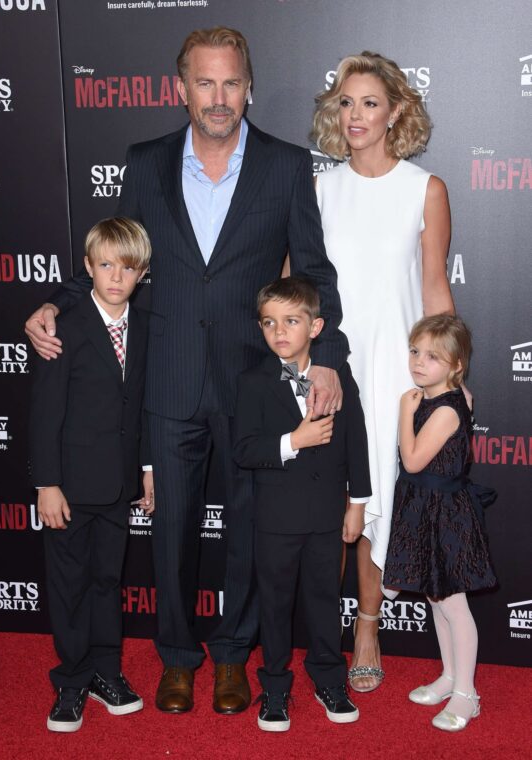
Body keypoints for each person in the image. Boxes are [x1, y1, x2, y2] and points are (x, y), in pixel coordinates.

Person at [25, 27, 348, 715]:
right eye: (205, 82)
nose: (219, 97)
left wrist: (329, 357)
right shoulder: (143, 163)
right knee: (169, 534)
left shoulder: (286, 165)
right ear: (181, 89)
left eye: (231, 82)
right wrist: (54, 304)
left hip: (253, 386)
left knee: (248, 533)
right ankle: (178, 657)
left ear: (248, 87)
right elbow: (112, 255)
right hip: (165, 384)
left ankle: (233, 655)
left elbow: (316, 276)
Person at [311, 51, 455, 692]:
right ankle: (315, 634)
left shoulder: (424, 189)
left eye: (370, 102)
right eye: (346, 102)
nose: (356, 115)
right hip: (330, 367)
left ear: (396, 110)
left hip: (395, 366)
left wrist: (448, 374)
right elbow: (300, 290)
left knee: (378, 502)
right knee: (323, 501)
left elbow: (433, 291)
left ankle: (367, 625)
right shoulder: (319, 186)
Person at [29, 218, 154, 732]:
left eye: (127, 268)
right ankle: (71, 682)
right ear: (88, 268)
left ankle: (106, 672)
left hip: (119, 483)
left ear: (141, 274)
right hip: (71, 487)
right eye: (105, 265)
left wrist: (147, 470)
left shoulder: (144, 327)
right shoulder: (67, 326)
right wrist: (47, 483)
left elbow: (140, 406)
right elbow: (44, 411)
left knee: (107, 581)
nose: (116, 276)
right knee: (69, 586)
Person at [233, 277, 371, 731]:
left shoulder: (337, 378)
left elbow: (356, 441)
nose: (279, 331)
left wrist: (357, 503)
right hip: (274, 520)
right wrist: (295, 440)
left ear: (315, 327)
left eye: (291, 321)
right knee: (274, 605)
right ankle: (274, 685)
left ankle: (329, 677)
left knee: (324, 599)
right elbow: (244, 450)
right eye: (269, 322)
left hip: (326, 516)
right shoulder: (252, 381)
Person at [383, 315, 496, 731]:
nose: (418, 362)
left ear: (455, 365)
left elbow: (412, 460)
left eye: (432, 357)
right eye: (415, 351)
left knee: (454, 604)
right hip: (426, 509)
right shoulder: (444, 396)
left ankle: (467, 693)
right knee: (435, 599)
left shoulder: (445, 409)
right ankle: (449, 676)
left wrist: (402, 413)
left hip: (447, 515)